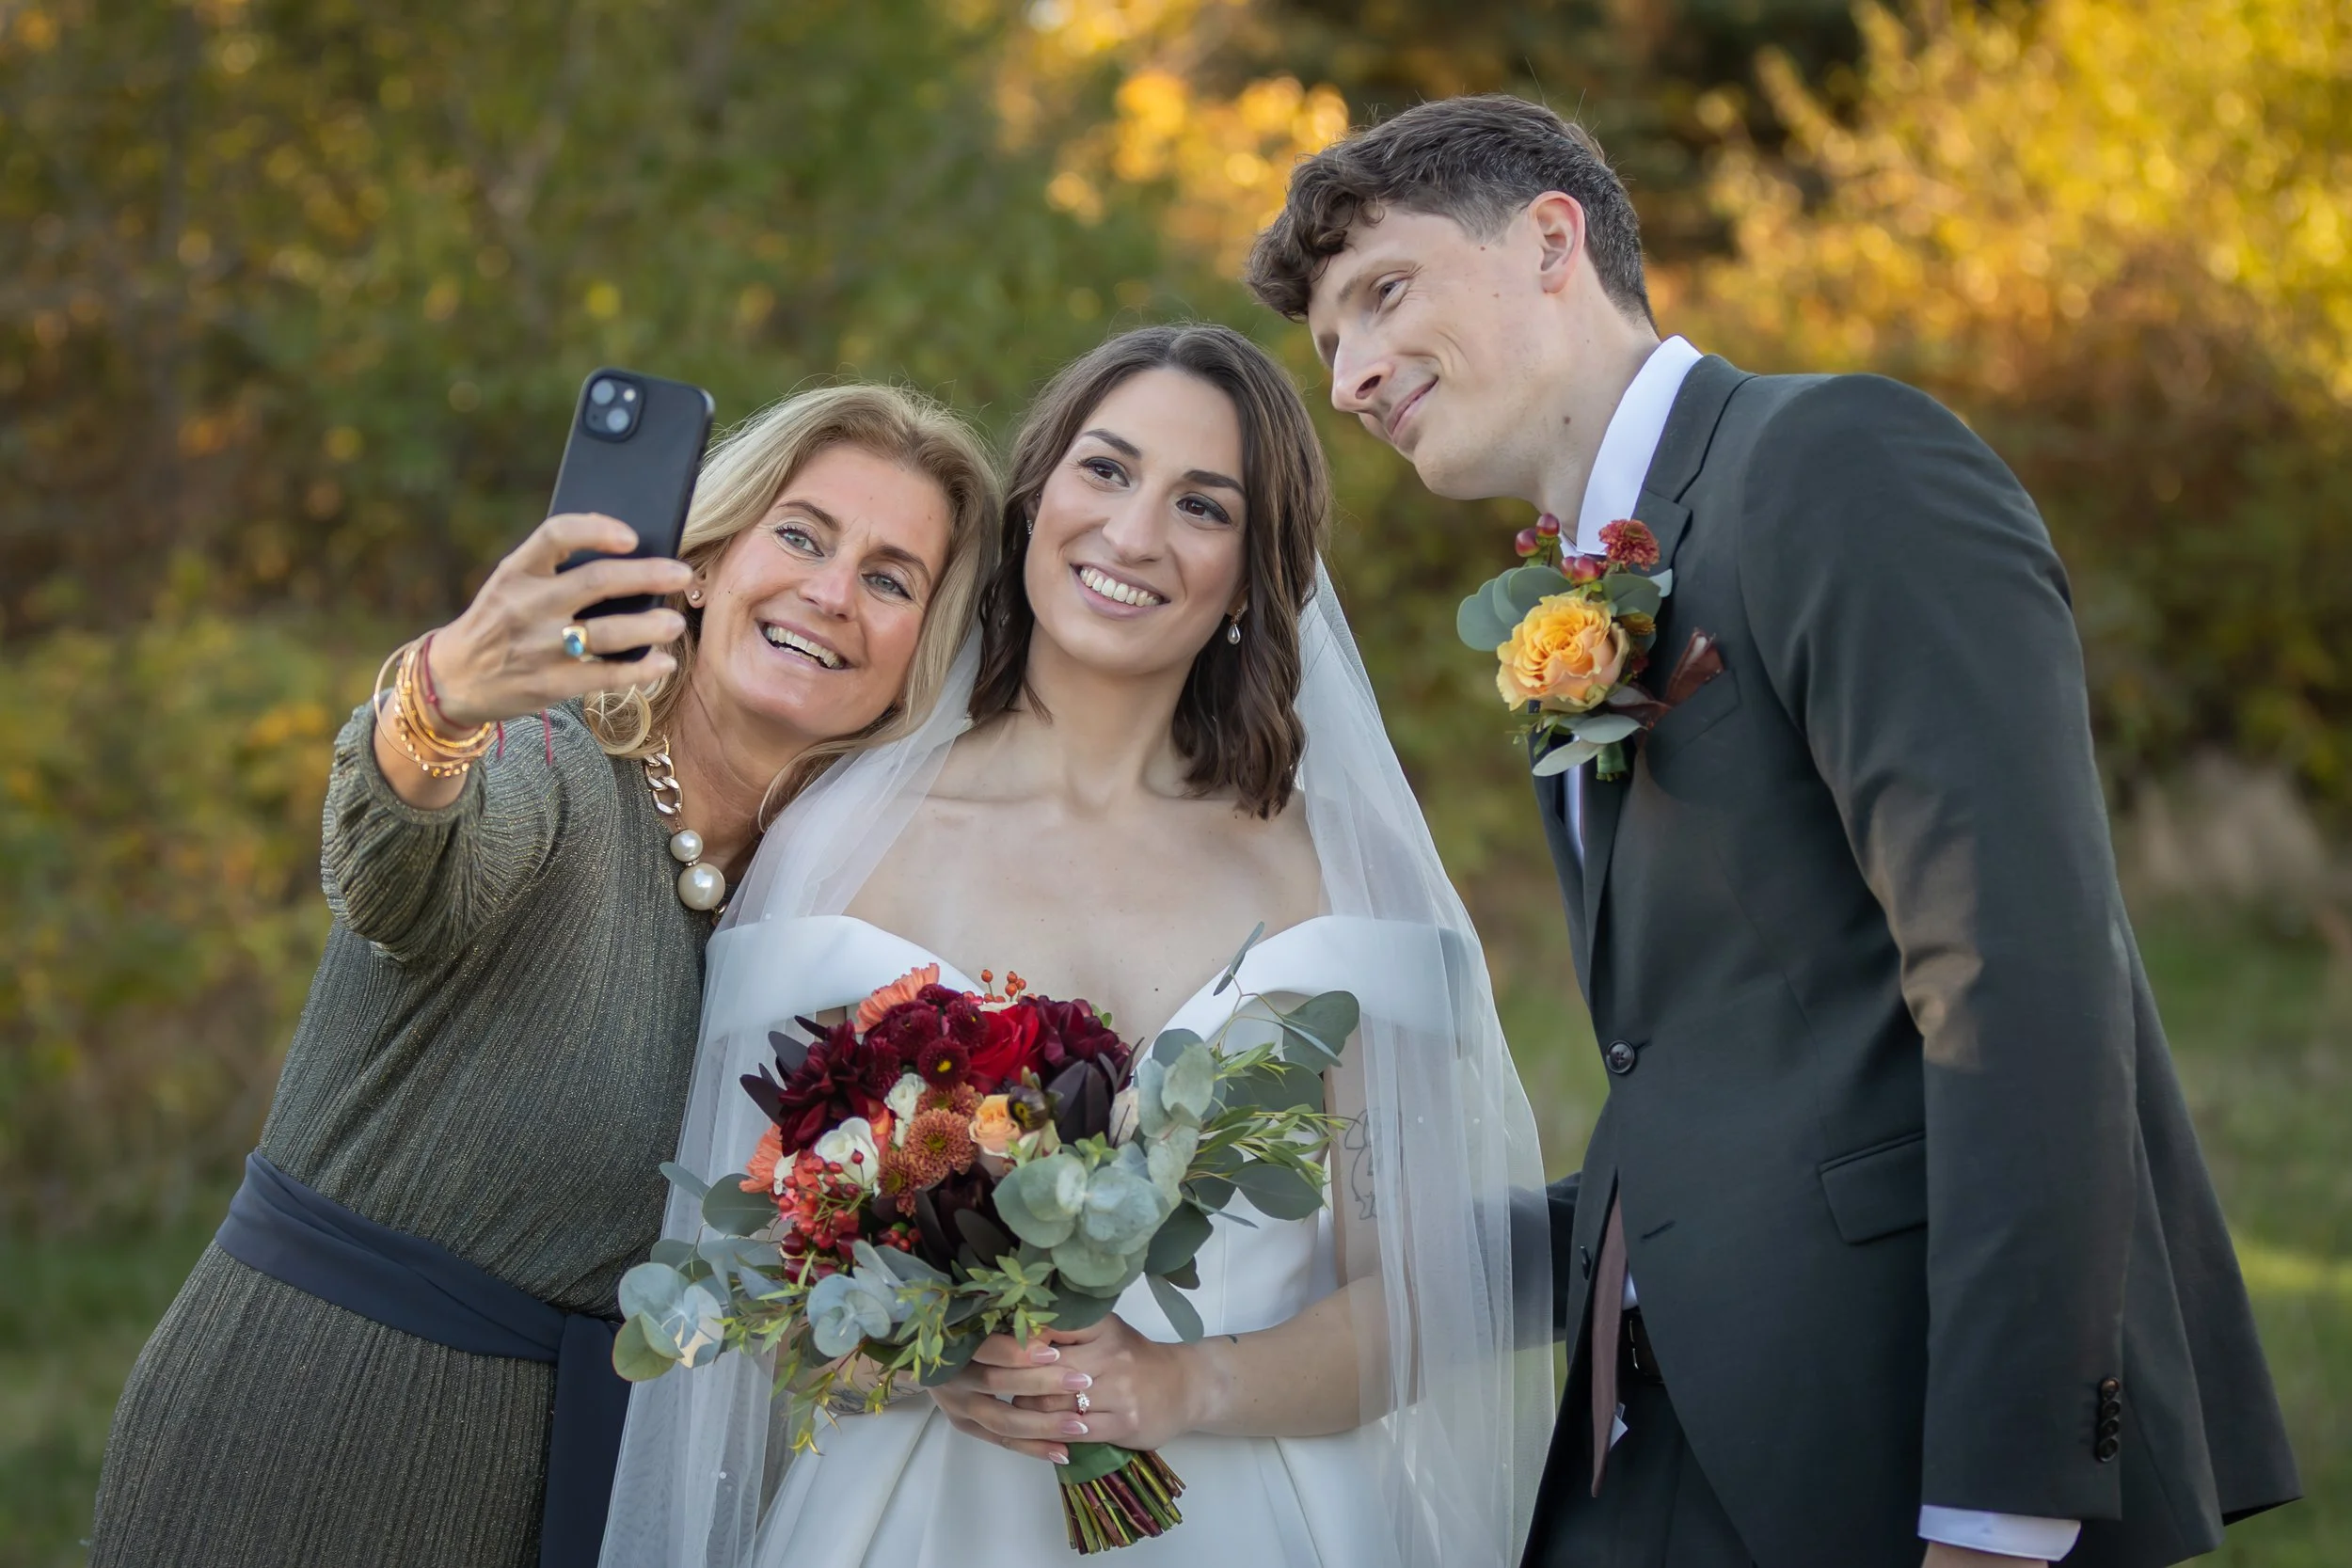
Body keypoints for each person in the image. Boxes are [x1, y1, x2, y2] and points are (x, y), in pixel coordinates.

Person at [1243, 93, 2301, 1568]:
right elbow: (1715, 1085)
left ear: (1553, 240)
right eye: (1330, 345)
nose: (1351, 377)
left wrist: (2000, 1506)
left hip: (1893, 1443)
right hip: (1670, 1433)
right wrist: (1274, 1258)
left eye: (1382, 294)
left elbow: (2022, 982)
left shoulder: (1835, 462)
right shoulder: (1591, 586)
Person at [596, 324, 1552, 1568]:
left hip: (1261, 1520)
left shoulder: (1337, 875)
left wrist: (1179, 1386)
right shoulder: (846, 836)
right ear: (1036, 497)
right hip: (914, 1515)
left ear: (1256, 578)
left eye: (1201, 504)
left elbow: (1413, 1294)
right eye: (1106, 470)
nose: (1134, 531)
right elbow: (754, 1263)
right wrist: (907, 1334)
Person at [89, 384, 1000, 1568]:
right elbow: (407, 866)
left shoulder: (838, 928)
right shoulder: (557, 759)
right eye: (801, 534)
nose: (831, 593)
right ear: (711, 560)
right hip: (309, 1428)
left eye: (890, 577)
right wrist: (444, 698)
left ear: (917, 654)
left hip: (585, 1482)